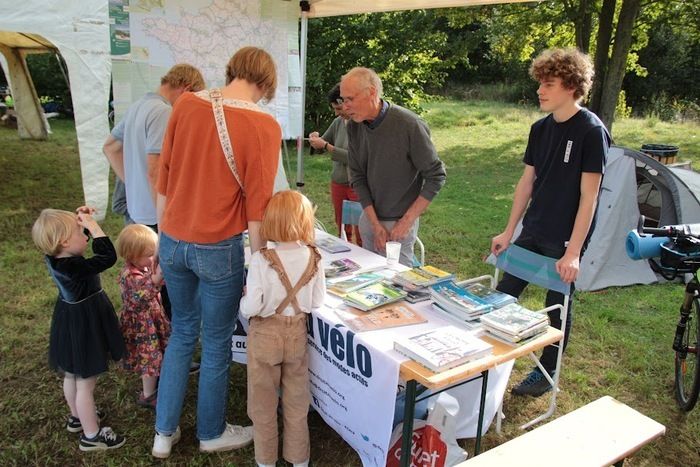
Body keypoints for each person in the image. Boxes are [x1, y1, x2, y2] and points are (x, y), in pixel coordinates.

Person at [151, 46, 281, 459]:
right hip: (217, 247)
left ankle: (163, 433)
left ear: (233, 71)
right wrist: (260, 259)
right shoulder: (263, 124)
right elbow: (258, 207)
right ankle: (210, 432)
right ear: (264, 83)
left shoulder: (186, 104)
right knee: (218, 340)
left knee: (182, 333)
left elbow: (164, 177)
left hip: (172, 238)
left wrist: (161, 238)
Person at [490, 48, 611, 397]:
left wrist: (573, 252)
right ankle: (493, 362)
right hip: (534, 228)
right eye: (540, 83)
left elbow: (590, 197)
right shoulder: (540, 129)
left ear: (571, 86)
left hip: (565, 239)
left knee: (556, 306)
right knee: (503, 295)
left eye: (549, 84)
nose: (540, 91)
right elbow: (527, 182)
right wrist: (509, 230)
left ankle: (547, 371)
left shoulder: (592, 131)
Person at [103, 63, 205, 322]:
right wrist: (165, 213)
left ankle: (148, 336)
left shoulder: (138, 106)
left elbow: (110, 147)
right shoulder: (162, 112)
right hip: (155, 216)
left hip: (138, 211)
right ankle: (168, 339)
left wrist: (131, 182)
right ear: (186, 89)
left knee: (142, 281)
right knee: (165, 284)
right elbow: (155, 168)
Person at [240, 190, 325, 467]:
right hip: (297, 332)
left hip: (265, 334)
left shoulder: (261, 259)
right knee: (297, 401)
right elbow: (316, 302)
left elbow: (251, 307)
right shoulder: (314, 256)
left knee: (263, 403)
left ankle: (266, 461)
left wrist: (243, 300)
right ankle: (299, 459)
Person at [31, 206, 126, 451]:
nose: (86, 236)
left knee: (72, 374)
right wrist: (95, 227)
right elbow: (108, 257)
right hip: (86, 323)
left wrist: (82, 222)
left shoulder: (56, 258)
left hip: (69, 319)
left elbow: (77, 244)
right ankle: (92, 435)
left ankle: (77, 417)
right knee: (86, 383)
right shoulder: (74, 267)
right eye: (81, 232)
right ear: (63, 241)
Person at [340, 67, 446, 266]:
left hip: (399, 226)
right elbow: (358, 177)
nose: (345, 107)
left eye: (349, 99)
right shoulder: (354, 126)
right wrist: (374, 223)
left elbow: (436, 176)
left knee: (399, 289)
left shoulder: (409, 124)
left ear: (371, 92)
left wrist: (406, 222)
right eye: (343, 100)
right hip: (369, 219)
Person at [116, 224, 170, 410]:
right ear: (131, 255)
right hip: (142, 326)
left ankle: (158, 380)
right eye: (148, 254)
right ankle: (148, 395)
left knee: (157, 354)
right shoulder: (130, 276)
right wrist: (158, 276)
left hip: (151, 320)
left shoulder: (144, 268)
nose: (152, 257)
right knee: (149, 359)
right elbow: (142, 295)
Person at [308, 83, 361, 245]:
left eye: (339, 109)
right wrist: (315, 140)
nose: (337, 113)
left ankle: (363, 254)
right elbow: (321, 145)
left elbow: (355, 158)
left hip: (356, 185)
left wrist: (326, 146)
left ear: (347, 103)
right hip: (338, 182)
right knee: (342, 227)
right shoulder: (338, 122)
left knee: (360, 229)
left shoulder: (361, 124)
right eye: (335, 109)